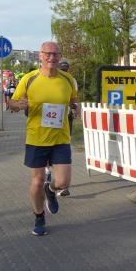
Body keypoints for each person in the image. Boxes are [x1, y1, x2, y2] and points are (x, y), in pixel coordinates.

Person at [8, 42, 79, 236]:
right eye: (48, 54)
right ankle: (39, 216)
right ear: (40, 55)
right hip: (36, 138)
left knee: (63, 182)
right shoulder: (29, 79)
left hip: (60, 138)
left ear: (60, 56)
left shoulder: (67, 79)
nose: (51, 58)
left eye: (55, 54)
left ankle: (51, 190)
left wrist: (76, 107)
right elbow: (12, 103)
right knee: (37, 181)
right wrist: (18, 105)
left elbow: (73, 99)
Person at [56, 61, 78, 197]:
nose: (65, 72)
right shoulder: (52, 79)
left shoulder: (71, 80)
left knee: (63, 148)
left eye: (66, 69)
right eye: (62, 69)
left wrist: (75, 109)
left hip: (65, 118)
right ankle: (49, 176)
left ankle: (63, 185)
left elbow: (74, 99)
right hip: (50, 119)